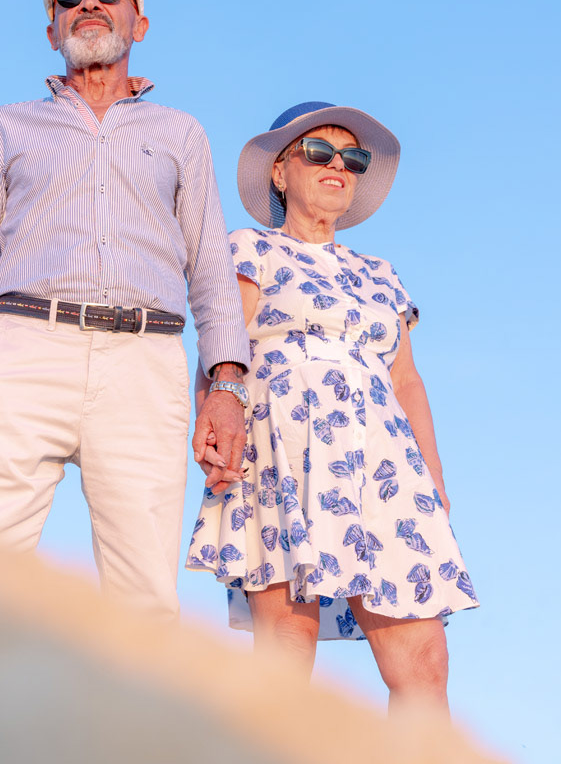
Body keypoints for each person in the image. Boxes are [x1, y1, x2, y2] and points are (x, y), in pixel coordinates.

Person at [0, 0, 250, 621]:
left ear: (139, 24)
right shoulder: (6, 126)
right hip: (23, 350)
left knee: (144, 601)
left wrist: (226, 387)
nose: (88, 3)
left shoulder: (181, 134)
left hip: (145, 363)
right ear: (52, 29)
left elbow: (209, 267)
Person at [187, 101, 478, 707]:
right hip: (283, 449)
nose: (338, 166)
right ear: (280, 172)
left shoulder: (381, 273)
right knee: (287, 644)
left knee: (425, 659)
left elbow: (407, 381)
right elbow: (221, 348)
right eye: (319, 152)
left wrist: (434, 478)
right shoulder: (250, 249)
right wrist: (213, 427)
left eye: (353, 158)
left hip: (385, 463)